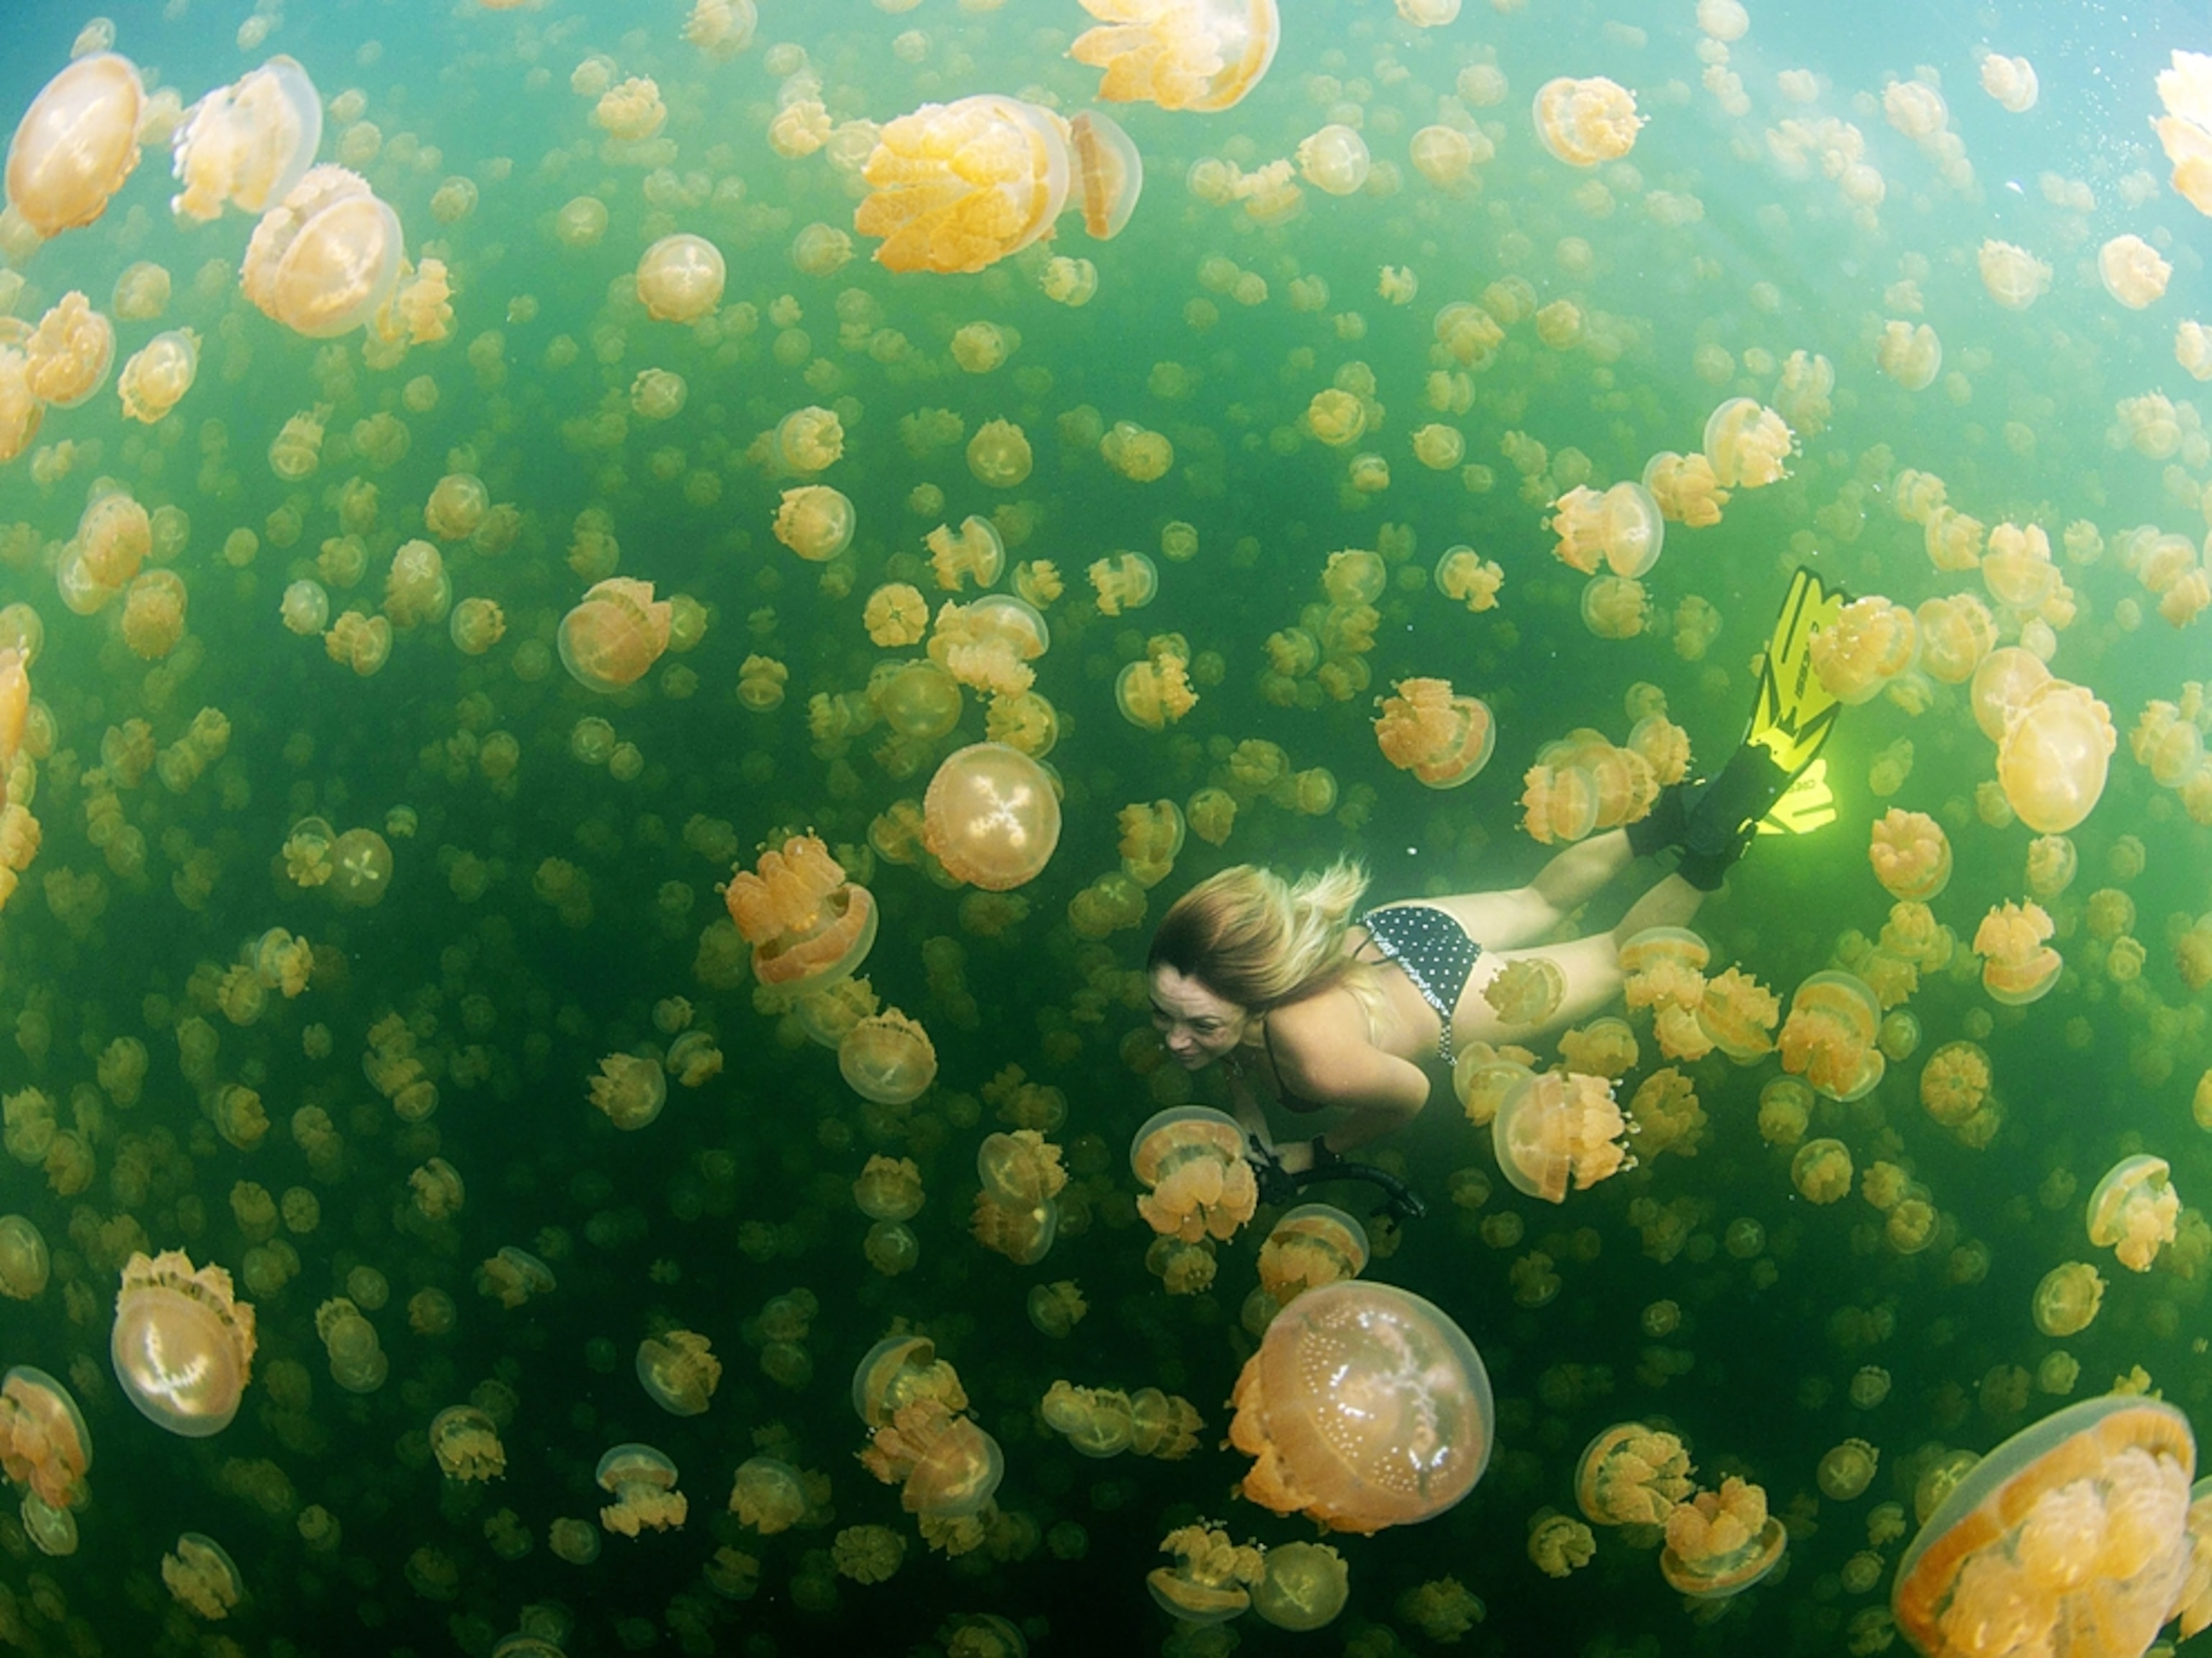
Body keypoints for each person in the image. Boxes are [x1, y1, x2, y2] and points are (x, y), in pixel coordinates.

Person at [1145, 568, 1845, 1210]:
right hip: (1389, 931)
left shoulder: (1314, 1057)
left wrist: (1317, 1151)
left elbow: (1411, 1094)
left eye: (1199, 1025)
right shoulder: (1237, 976)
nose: (1176, 1042)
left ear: (1255, 992)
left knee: (1614, 955)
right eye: (1167, 1016)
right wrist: (1241, 1097)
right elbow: (1237, 1049)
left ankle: (1713, 844)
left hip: (1439, 990)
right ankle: (1675, 815)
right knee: (1534, 901)